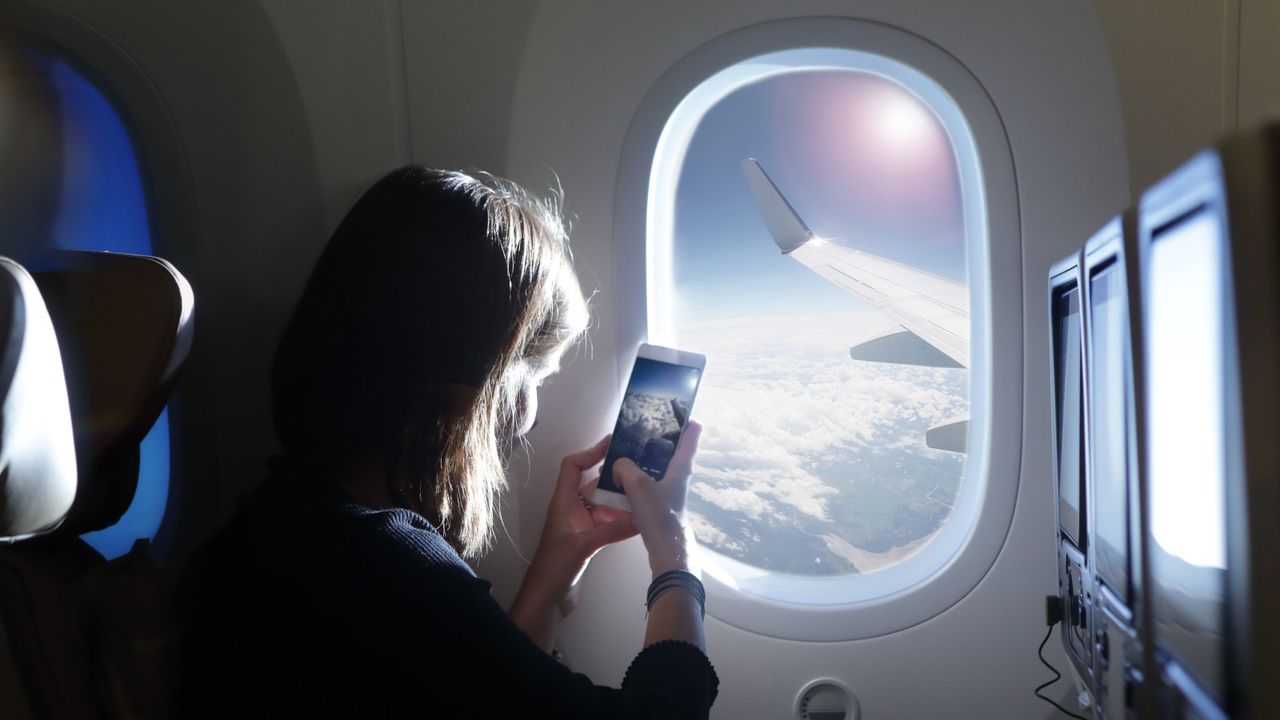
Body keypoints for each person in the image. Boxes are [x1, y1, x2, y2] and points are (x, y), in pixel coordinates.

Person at [181, 166, 718, 718]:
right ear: (477, 384)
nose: (530, 420)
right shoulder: (398, 578)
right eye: (533, 377)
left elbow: (485, 691)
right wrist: (677, 561)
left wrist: (556, 566)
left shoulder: (295, 518)